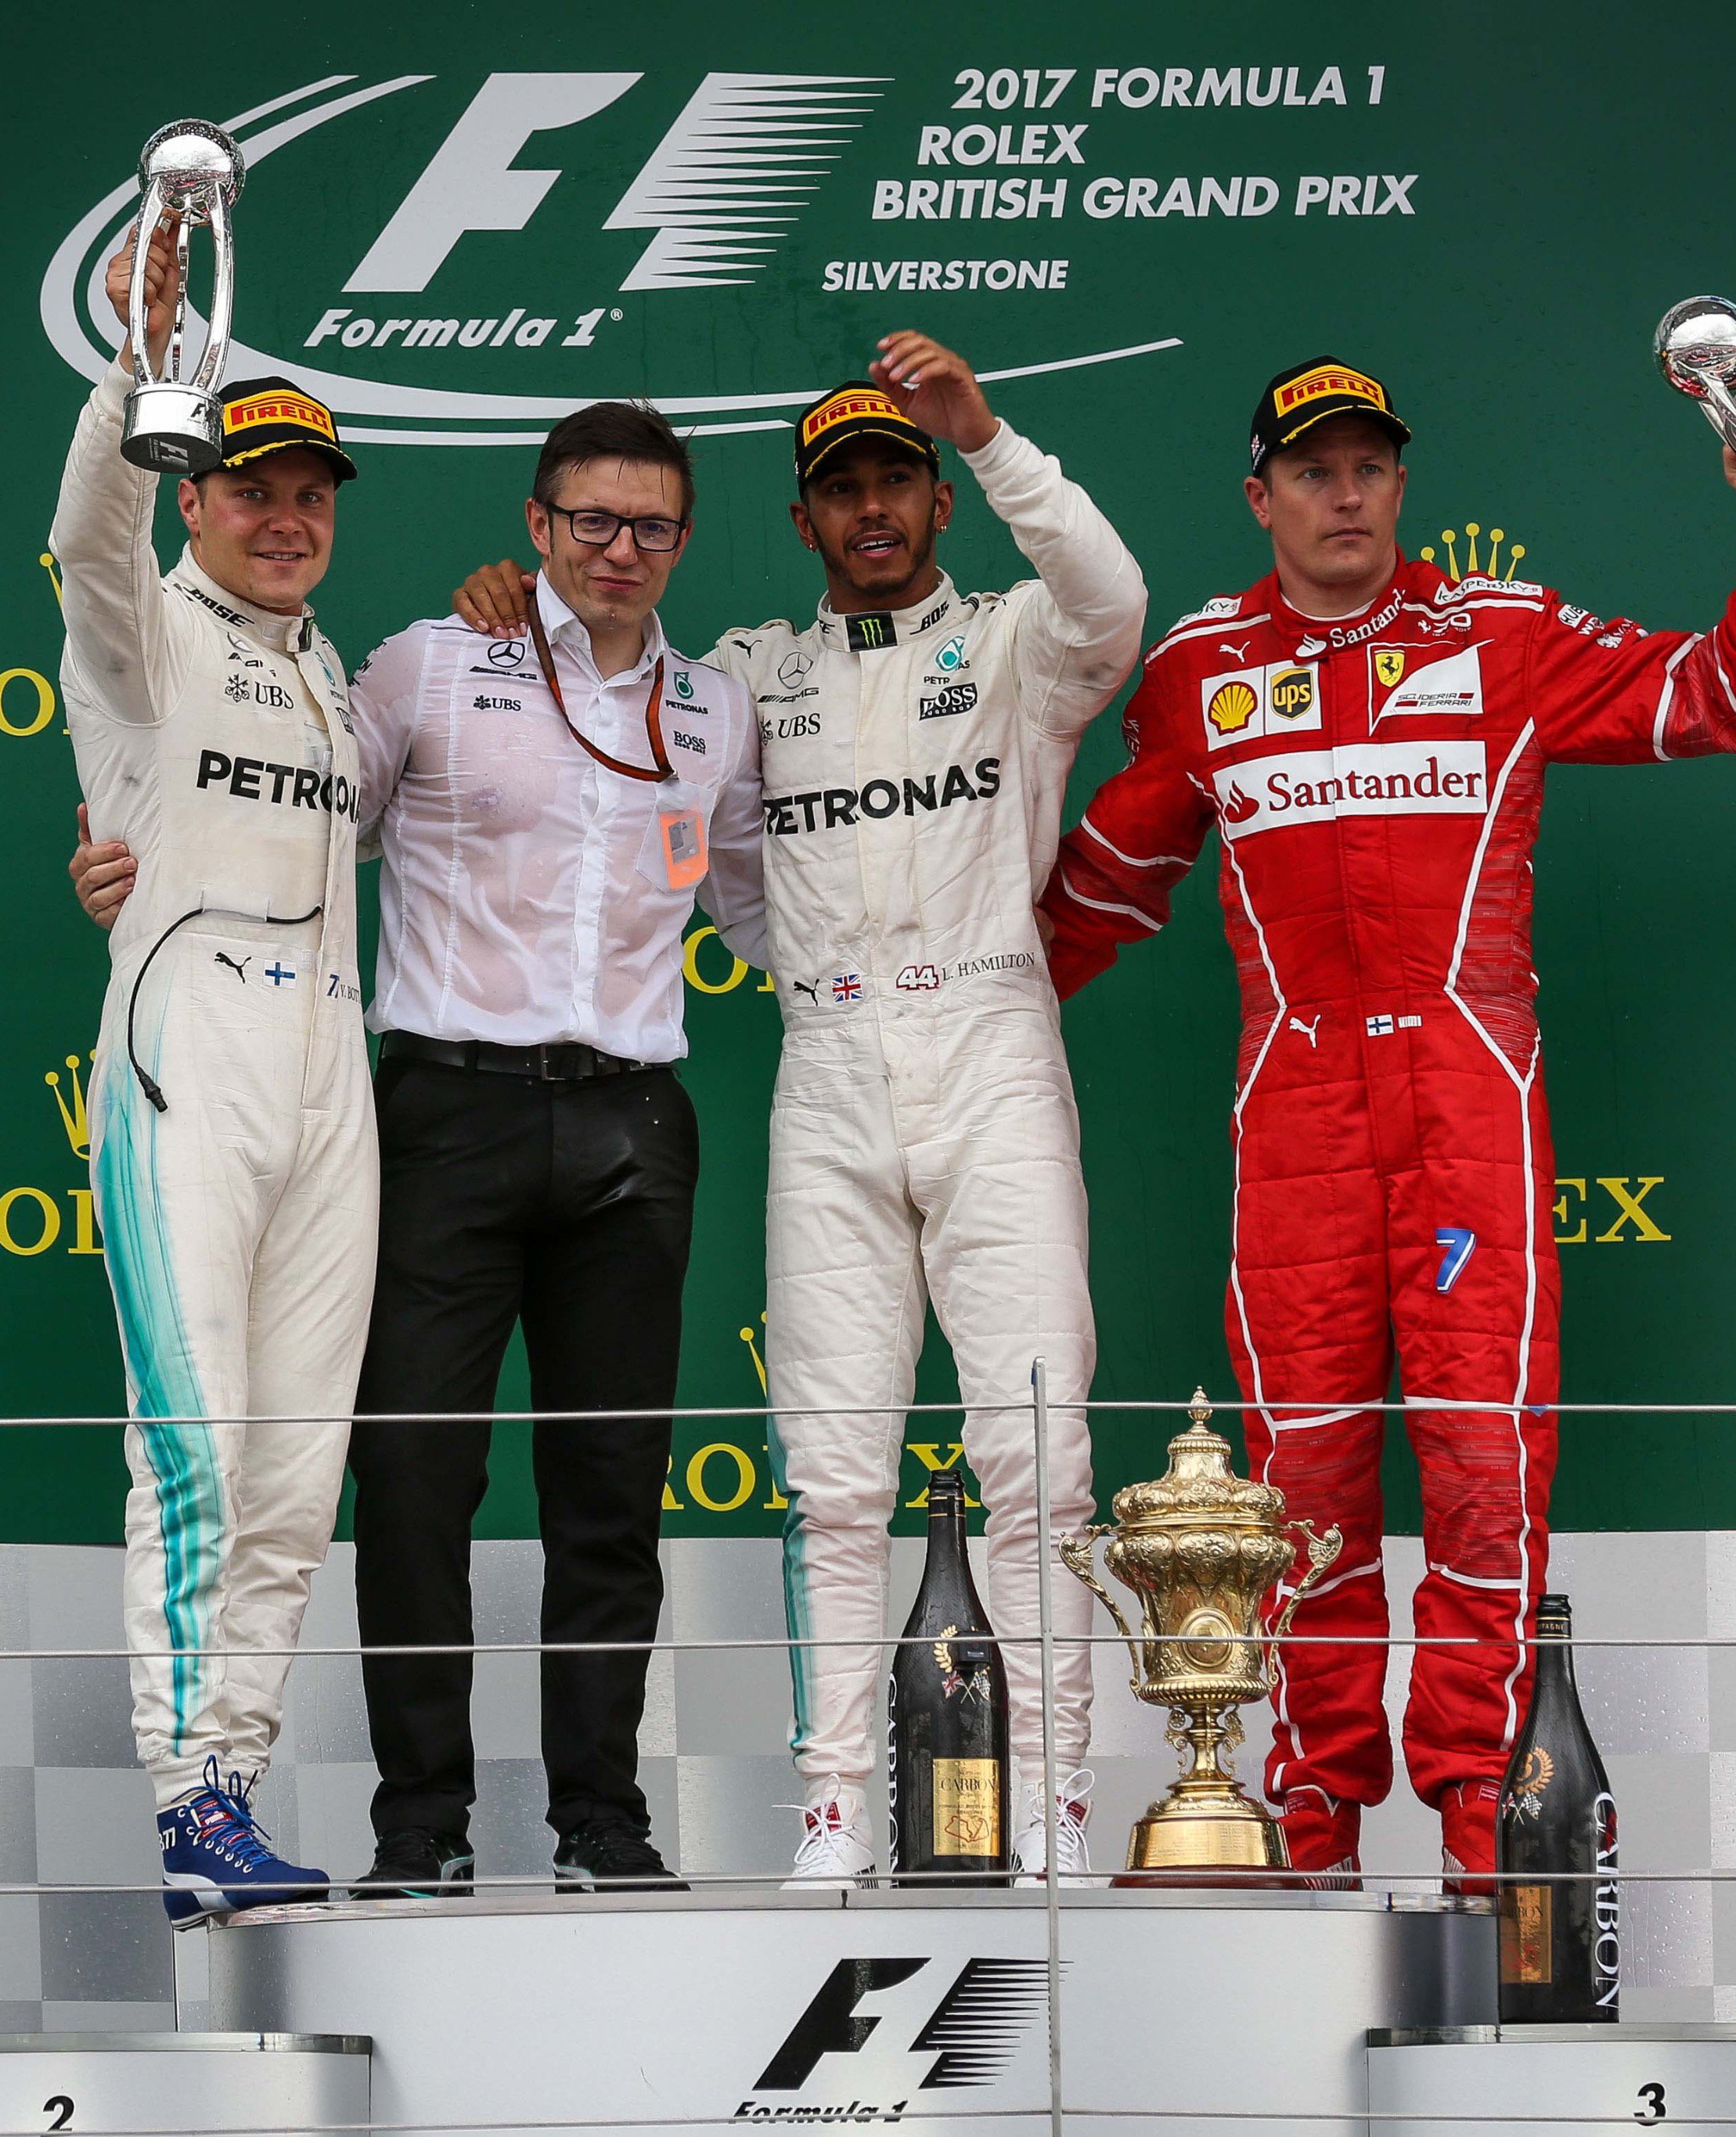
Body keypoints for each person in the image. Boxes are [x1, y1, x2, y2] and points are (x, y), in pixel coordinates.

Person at [1033, 357, 1736, 1887]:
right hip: (1293, 1124)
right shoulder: (1200, 667)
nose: (1344, 494)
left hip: (1466, 1100)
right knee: (1296, 1486)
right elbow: (1100, 887)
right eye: (1311, 469)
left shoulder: (1502, 634)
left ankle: (1492, 1832)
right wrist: (947, 1001)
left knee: (1484, 1468)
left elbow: (1733, 695)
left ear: (1399, 486)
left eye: (1369, 467)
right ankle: (1302, 1822)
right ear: (1257, 494)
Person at [446, 336, 1145, 1885]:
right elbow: (682, 802)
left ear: (936, 501)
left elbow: (1115, 602)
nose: (874, 506)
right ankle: (835, 1811)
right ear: (805, 515)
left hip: (989, 1044)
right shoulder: (754, 674)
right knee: (830, 1475)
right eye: (844, 486)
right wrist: (518, 606)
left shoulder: (1021, 641)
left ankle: (1050, 1814)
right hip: (827, 1061)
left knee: (1035, 1459)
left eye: (897, 476)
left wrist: (985, 431)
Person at [72, 402, 770, 1899]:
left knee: (576, 1493)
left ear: (687, 539)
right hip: (419, 1101)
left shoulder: (706, 707)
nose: (620, 548)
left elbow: (772, 897)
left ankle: (594, 1821)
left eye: (651, 523)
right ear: (537, 523)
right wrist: (120, 843)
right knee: (376, 1488)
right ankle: (399, 1826)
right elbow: (136, 636)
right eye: (591, 518)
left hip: (615, 1117)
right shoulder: (415, 662)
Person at [56, 222, 371, 1918]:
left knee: (293, 1467)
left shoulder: (329, 671)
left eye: (311, 490)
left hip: (334, 1061)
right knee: (194, 1448)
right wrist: (141, 373)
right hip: (193, 1052)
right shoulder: (144, 635)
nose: (285, 514)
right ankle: (185, 1796)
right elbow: (78, 539)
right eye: (252, 486)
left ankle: (233, 1788)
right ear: (197, 496)